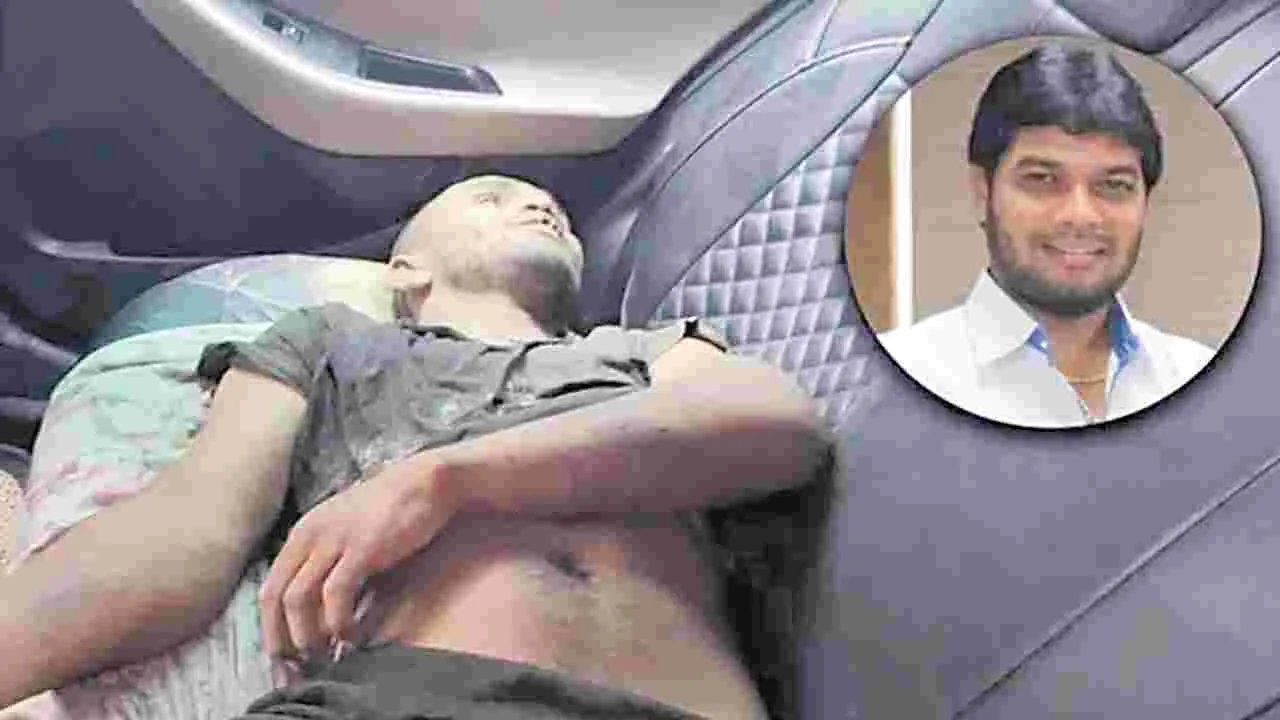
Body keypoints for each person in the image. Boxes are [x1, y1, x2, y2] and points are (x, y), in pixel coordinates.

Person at [0, 175, 833, 718]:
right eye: (493, 198)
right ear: (404, 269)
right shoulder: (328, 342)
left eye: (551, 207)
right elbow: (186, 526)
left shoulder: (644, 349)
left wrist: (445, 482)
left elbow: (778, 428)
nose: (539, 206)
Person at [878, 42, 1215, 429]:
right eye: (1042, 179)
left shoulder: (1202, 381)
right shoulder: (885, 387)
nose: (1080, 216)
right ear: (983, 191)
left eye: (1113, 185)